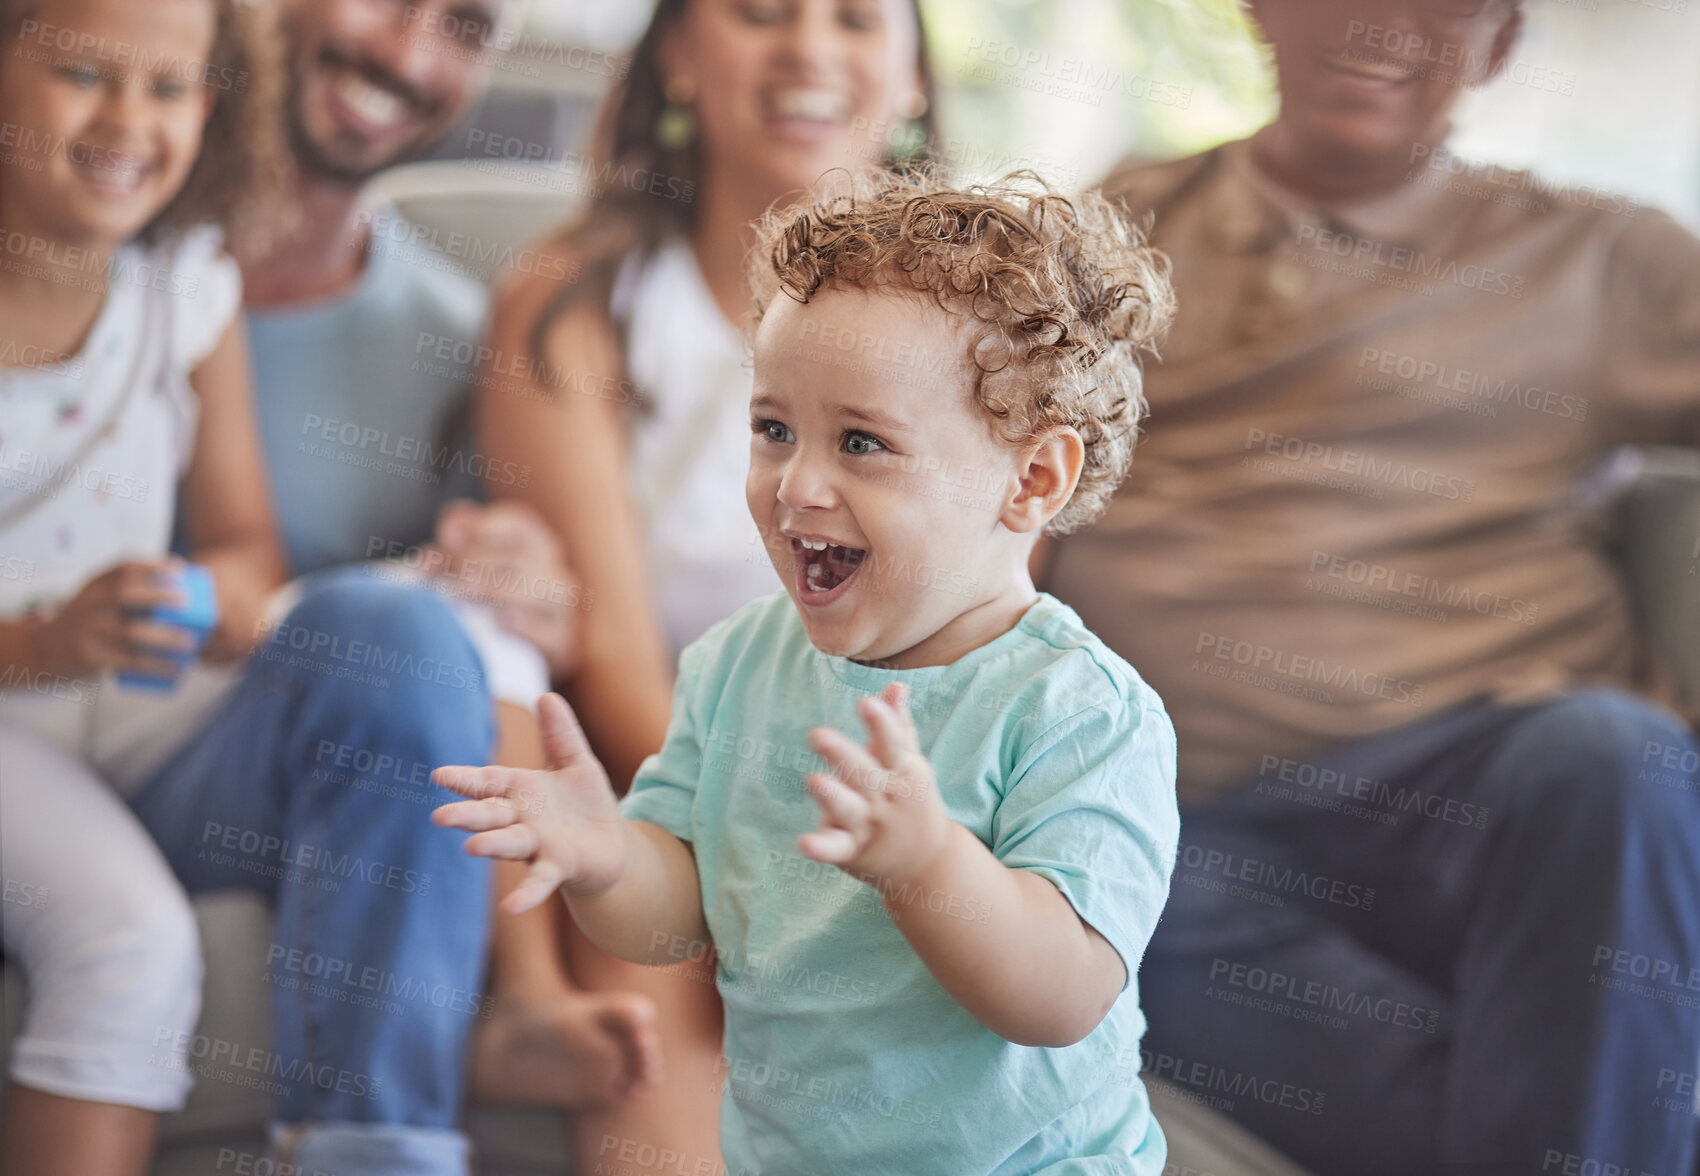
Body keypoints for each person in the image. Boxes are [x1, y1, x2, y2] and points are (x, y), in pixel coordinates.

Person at [1043, 1, 1700, 1172]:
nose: (1382, 25)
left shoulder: (1604, 258)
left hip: (1486, 785)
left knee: (1610, 756)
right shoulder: (1115, 225)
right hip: (1183, 818)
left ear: (1497, 45)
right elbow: (988, 475)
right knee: (1072, 903)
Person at [435, 173, 1184, 1175]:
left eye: (861, 443)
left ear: (1030, 479)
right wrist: (609, 856)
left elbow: (1060, 998)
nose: (797, 483)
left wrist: (926, 866)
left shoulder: (1080, 713)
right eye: (773, 429)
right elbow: (675, 922)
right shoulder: (739, 663)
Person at [475, 2, 940, 1165]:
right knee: (638, 920)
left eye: (852, 17)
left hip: (895, 796)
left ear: (915, 77)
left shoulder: (969, 337)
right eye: (758, 12)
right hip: (673, 772)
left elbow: (969, 650)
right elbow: (617, 662)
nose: (807, 50)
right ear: (678, 53)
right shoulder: (576, 304)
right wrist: (766, 847)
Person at [230, 0, 666, 1121]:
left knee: (421, 636)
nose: (406, 53)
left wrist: (529, 579)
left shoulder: (452, 331)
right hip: (90, 727)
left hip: (326, 759)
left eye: (465, 23)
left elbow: (496, 630)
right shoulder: (95, 264)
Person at [0, 0, 283, 1172]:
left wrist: (197, 595)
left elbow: (249, 550)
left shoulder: (187, 289)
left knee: (405, 656)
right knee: (129, 940)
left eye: (170, 88)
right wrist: (41, 643)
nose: (130, 122)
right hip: (15, 703)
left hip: (125, 696)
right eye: (82, 73)